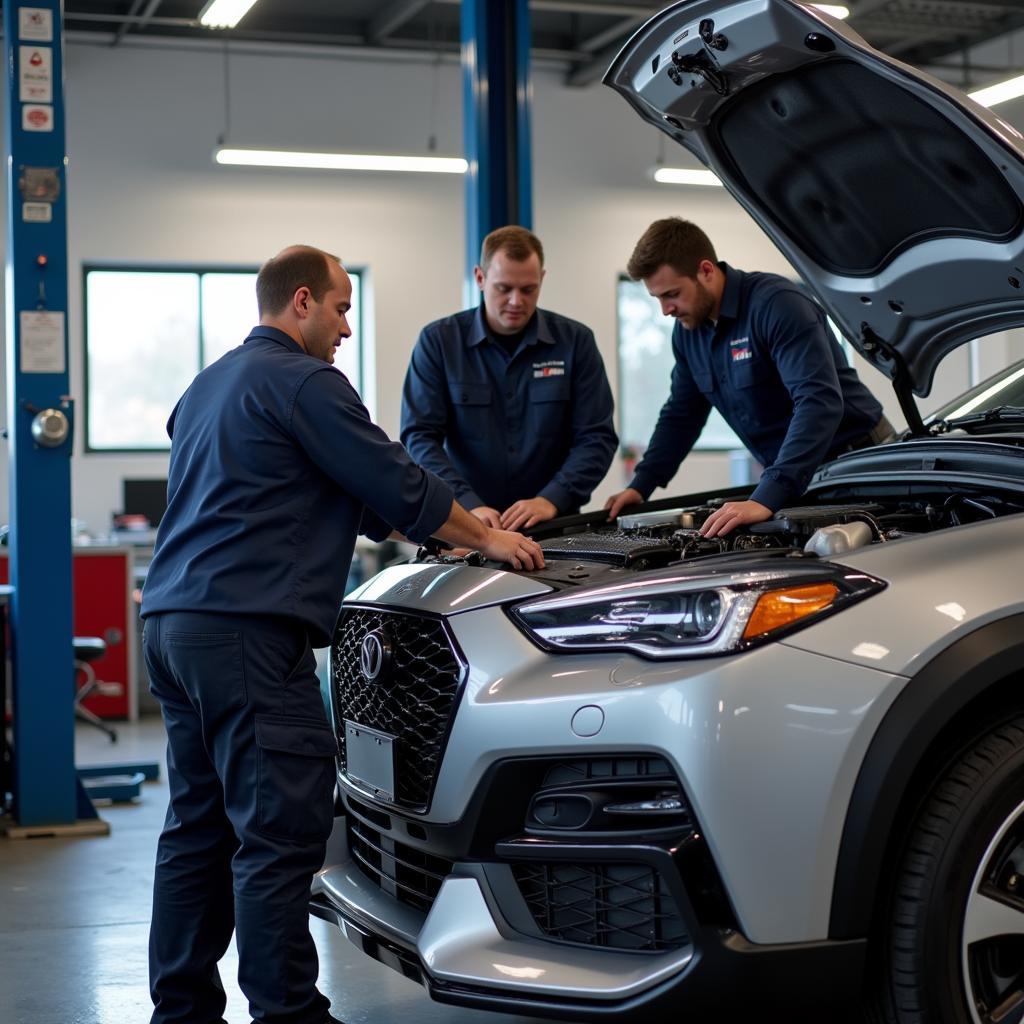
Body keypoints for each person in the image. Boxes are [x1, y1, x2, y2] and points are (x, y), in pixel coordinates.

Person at [139, 245, 544, 1024]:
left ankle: (180, 1011)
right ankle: (287, 1013)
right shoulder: (306, 381)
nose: (346, 329)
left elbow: (337, 492)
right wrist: (486, 540)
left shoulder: (208, 384)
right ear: (300, 302)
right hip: (246, 638)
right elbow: (389, 475)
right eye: (340, 308)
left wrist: (450, 527)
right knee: (279, 834)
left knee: (195, 830)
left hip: (173, 628)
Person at [605, 218, 892, 537]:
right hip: (799, 474)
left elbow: (818, 402)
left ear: (706, 271)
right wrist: (641, 485)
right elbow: (681, 415)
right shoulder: (688, 334)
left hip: (860, 462)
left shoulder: (777, 305)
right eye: (657, 298)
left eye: (671, 294)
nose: (665, 310)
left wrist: (769, 494)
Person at [401, 225, 617, 532]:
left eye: (528, 289)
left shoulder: (576, 342)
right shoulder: (438, 342)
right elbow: (419, 437)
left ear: (542, 279)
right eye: (504, 288)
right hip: (467, 526)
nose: (516, 301)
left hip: (554, 524)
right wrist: (465, 503)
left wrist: (552, 498)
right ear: (480, 278)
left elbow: (597, 438)